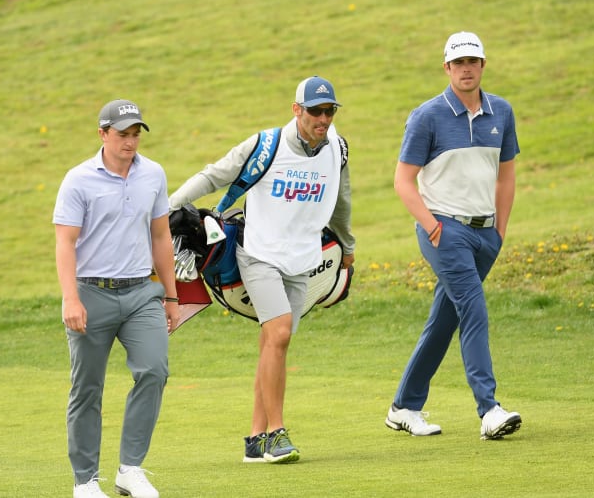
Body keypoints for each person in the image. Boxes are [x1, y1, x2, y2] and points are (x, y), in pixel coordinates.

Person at [169, 76, 355, 464]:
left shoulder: (336, 148)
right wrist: (167, 207)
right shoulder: (266, 145)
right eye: (315, 111)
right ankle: (276, 434)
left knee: (274, 342)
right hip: (259, 254)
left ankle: (254, 439)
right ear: (296, 110)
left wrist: (347, 247)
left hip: (302, 258)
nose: (323, 119)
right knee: (280, 333)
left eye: (329, 111)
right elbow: (213, 175)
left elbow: (341, 201)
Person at [384, 31, 522, 440]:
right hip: (444, 230)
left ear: (483, 65)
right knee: (474, 310)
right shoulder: (427, 116)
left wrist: (500, 231)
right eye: (458, 62)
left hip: (485, 234)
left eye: (472, 61)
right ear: (446, 67)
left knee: (445, 320)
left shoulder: (502, 112)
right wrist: (432, 227)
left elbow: (506, 176)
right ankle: (489, 409)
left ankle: (404, 406)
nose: (466, 69)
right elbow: (403, 181)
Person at [54, 100, 181, 498]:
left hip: (142, 292)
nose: (131, 142)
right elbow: (65, 242)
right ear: (103, 134)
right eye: (123, 134)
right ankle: (85, 481)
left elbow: (160, 235)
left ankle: (130, 469)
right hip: (91, 292)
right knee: (87, 388)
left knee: (154, 370)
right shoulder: (78, 180)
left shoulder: (153, 174)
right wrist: (70, 298)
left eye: (136, 134)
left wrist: (172, 295)